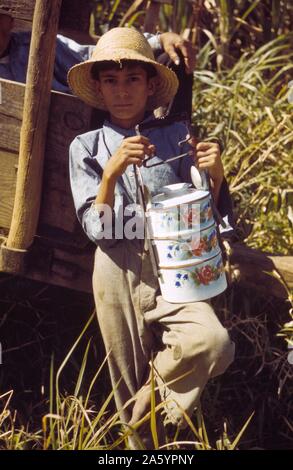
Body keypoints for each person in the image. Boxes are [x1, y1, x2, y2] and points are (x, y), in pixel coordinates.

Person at [68, 27, 235, 450]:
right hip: (116, 269)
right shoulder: (85, 146)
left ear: (150, 85)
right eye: (111, 81)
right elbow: (96, 229)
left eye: (133, 80)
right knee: (125, 380)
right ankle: (140, 445)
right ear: (101, 90)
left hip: (175, 266)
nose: (122, 92)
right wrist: (111, 173)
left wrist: (214, 176)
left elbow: (208, 217)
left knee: (212, 343)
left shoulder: (176, 137)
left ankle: (146, 408)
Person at [0, 6, 195, 96]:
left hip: (78, 125)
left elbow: (94, 56)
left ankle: (176, 143)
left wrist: (159, 40)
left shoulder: (38, 44)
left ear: (11, 21)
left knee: (169, 59)